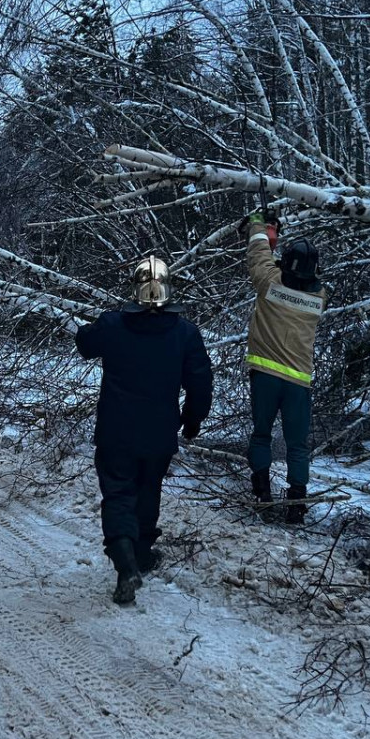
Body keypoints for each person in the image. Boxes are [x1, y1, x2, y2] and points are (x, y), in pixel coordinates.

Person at [75, 256, 213, 605]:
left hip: (116, 431)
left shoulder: (113, 325)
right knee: (149, 490)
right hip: (159, 432)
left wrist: (93, 326)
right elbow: (200, 381)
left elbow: (84, 345)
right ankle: (141, 554)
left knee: (119, 493)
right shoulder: (185, 333)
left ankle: (126, 563)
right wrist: (193, 418)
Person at [243, 212, 326, 524]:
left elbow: (259, 255)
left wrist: (259, 226)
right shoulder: (319, 297)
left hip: (264, 377)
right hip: (298, 383)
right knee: (297, 446)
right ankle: (296, 504)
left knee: (261, 435)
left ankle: (263, 494)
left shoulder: (269, 283)